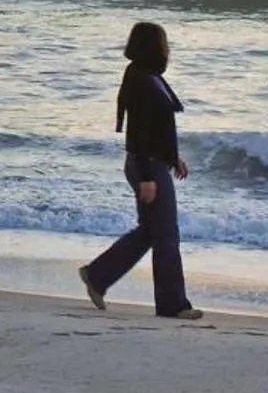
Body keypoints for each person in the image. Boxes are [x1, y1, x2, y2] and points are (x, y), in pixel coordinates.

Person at [79, 21, 202, 319]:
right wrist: (147, 177)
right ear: (154, 47)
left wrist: (173, 158)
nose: (167, 49)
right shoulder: (143, 80)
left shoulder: (146, 76)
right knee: (167, 235)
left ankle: (97, 275)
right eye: (163, 43)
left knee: (152, 231)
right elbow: (140, 133)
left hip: (151, 163)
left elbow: (158, 128)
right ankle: (173, 304)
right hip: (146, 165)